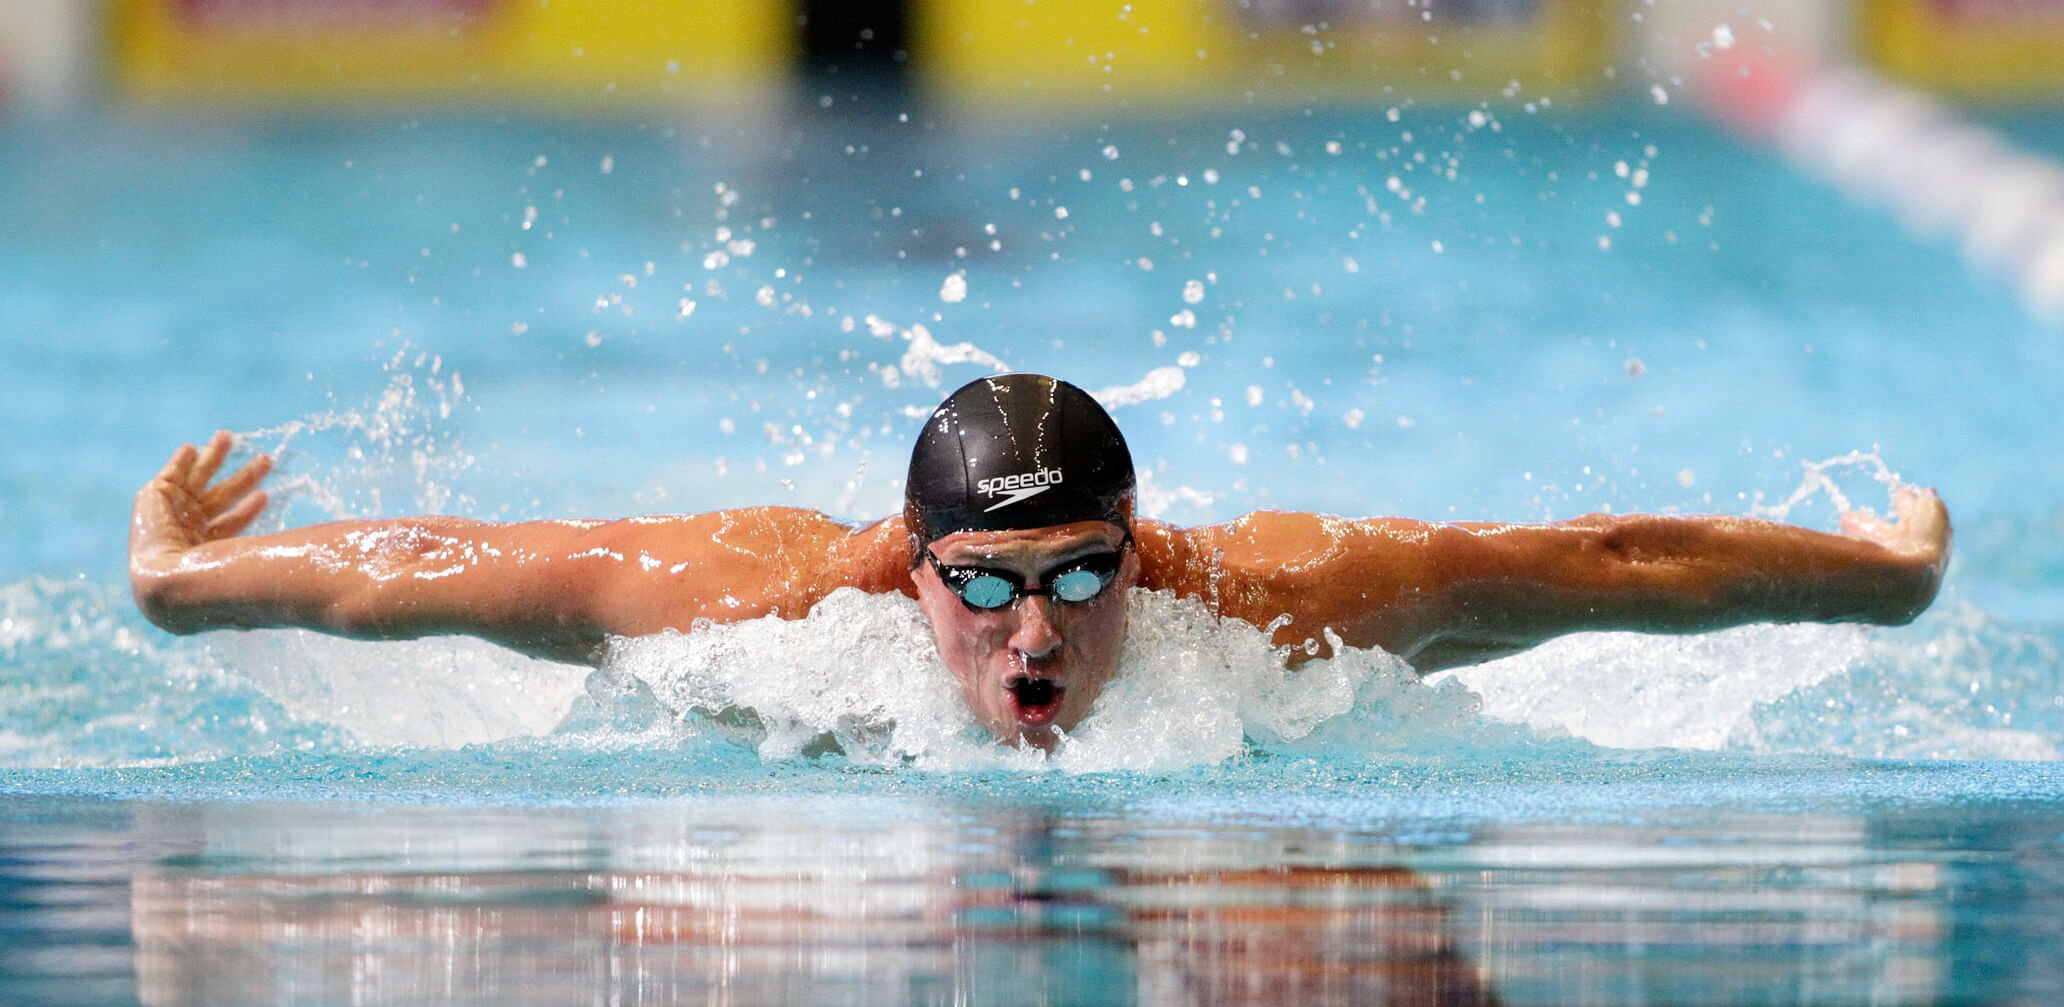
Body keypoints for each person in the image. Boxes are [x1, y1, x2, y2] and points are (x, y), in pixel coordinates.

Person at [130, 372, 1952, 750]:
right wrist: (183, 581)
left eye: (1085, 579)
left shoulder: (1278, 606)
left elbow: (1596, 561)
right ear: (911, 573)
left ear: (1144, 557)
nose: (1038, 638)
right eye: (987, 588)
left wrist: (1884, 575)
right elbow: (432, 568)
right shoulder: (758, 605)